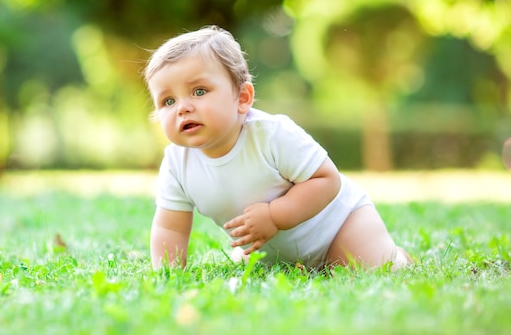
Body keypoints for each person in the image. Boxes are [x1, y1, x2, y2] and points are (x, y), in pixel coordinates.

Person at [144, 25, 412, 271]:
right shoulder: (177, 162)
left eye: (199, 91)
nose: (183, 108)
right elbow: (170, 226)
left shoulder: (271, 135)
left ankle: (398, 257)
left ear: (243, 98)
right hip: (273, 247)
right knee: (263, 267)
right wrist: (167, 273)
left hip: (338, 226)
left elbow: (326, 179)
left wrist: (274, 216)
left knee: (367, 266)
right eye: (168, 101)